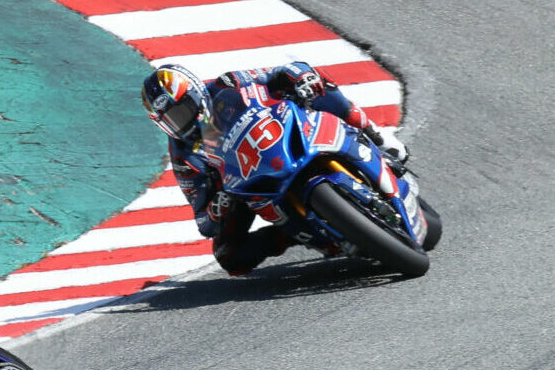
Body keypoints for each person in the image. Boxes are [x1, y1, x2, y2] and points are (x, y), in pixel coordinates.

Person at [141, 61, 408, 276]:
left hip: (283, 136)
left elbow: (281, 72)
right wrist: (216, 206)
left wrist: (300, 78)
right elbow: (203, 221)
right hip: (247, 183)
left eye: (183, 110)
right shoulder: (182, 154)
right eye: (171, 120)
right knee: (229, 256)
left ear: (195, 92)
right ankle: (294, 233)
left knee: (318, 82)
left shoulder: (229, 84)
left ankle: (375, 135)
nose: (181, 123)